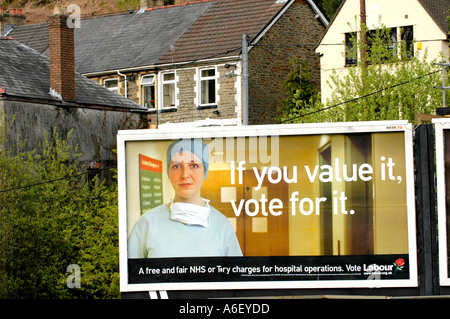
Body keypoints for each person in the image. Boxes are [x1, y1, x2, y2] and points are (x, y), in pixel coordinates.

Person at [128, 138, 243, 258]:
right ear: (168, 172)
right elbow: (132, 274)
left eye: (194, 165)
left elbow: (235, 274)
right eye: (177, 166)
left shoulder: (221, 225)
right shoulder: (146, 224)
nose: (185, 175)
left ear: (205, 171)